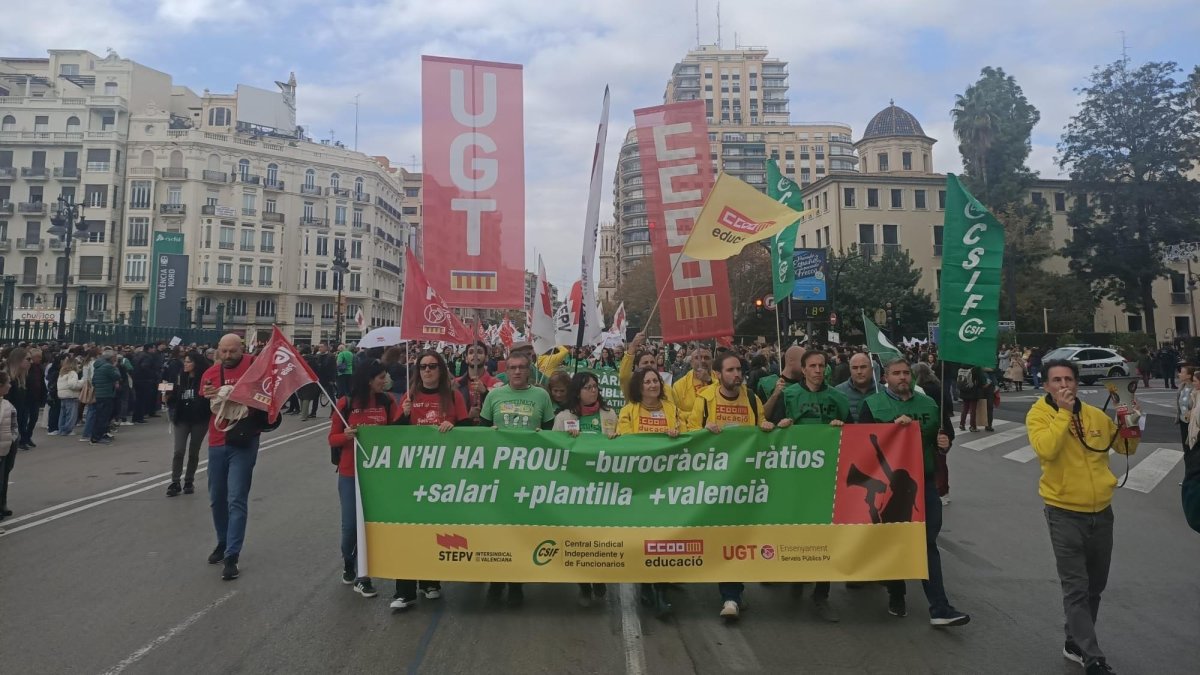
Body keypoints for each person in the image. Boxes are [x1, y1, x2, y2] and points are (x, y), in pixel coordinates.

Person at [1027, 359, 1139, 674]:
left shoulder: (1094, 416)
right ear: (1047, 385)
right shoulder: (1038, 415)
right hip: (1063, 512)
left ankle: (1074, 640)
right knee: (1075, 586)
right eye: (1057, 380)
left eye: (1068, 379)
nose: (1064, 385)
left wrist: (1128, 418)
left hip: (1101, 512)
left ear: (1077, 383)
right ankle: (1093, 656)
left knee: (1095, 586)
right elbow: (1046, 449)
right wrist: (1063, 413)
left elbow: (1126, 448)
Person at [860, 357, 970, 628]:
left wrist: (944, 443)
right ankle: (896, 592)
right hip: (890, 486)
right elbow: (861, 446)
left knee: (927, 542)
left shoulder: (929, 405)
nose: (902, 378)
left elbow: (943, 437)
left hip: (925, 481)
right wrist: (891, 431)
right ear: (886, 377)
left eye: (906, 373)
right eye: (896, 373)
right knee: (895, 540)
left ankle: (940, 607)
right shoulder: (873, 406)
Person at [685, 353, 773, 621]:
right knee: (719, 537)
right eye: (731, 370)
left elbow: (761, 430)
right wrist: (702, 431)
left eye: (739, 369)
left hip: (743, 483)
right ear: (718, 373)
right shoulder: (705, 400)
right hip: (712, 483)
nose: (737, 374)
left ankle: (732, 595)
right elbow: (689, 436)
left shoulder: (752, 400)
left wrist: (769, 427)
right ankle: (729, 593)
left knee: (736, 539)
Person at [389, 351, 468, 609]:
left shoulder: (454, 396)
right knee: (409, 531)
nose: (428, 371)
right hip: (413, 476)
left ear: (441, 370)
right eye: (423, 367)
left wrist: (454, 428)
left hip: (443, 477)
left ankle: (431, 582)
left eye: (433, 366)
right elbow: (392, 438)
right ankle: (404, 590)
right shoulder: (409, 397)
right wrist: (403, 416)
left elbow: (470, 433)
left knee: (435, 530)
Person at [774, 349, 849, 622]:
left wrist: (843, 427)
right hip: (796, 474)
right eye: (813, 366)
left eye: (822, 365)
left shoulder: (837, 398)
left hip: (826, 476)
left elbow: (854, 436)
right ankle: (796, 574)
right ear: (803, 370)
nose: (818, 370)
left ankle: (821, 595)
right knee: (797, 530)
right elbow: (771, 429)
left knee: (824, 535)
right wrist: (780, 425)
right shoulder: (790, 395)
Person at [480, 350, 556, 607]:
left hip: (529, 477)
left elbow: (550, 434)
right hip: (499, 476)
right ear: (506, 369)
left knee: (521, 531)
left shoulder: (541, 396)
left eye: (522, 367)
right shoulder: (494, 395)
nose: (516, 372)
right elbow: (480, 432)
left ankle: (516, 584)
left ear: (530, 369)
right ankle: (496, 580)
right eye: (512, 367)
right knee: (498, 530)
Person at [329, 361, 403, 602]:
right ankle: (348, 562)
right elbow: (332, 439)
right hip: (350, 473)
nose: (385, 381)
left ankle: (364, 577)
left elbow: (398, 431)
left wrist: (407, 414)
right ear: (368, 379)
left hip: (379, 474)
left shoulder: (387, 401)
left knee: (370, 526)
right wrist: (346, 435)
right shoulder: (345, 403)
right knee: (350, 526)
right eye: (381, 377)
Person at [617, 366, 684, 617]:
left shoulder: (671, 409)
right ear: (639, 386)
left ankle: (661, 589)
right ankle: (646, 584)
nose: (653, 385)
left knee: (665, 538)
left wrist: (678, 434)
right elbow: (625, 440)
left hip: (667, 486)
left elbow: (688, 437)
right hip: (640, 486)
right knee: (644, 537)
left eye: (656, 380)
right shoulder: (628, 411)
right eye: (647, 382)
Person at [200, 334, 263, 581]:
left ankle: (232, 555)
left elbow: (267, 398)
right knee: (217, 498)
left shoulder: (254, 366)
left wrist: (239, 394)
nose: (227, 356)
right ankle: (222, 541)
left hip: (244, 440)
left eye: (232, 352)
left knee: (236, 497)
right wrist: (206, 395)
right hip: (216, 440)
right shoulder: (211, 373)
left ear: (242, 349)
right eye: (223, 351)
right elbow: (202, 403)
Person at [554, 371, 618, 607]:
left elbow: (621, 446)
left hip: (602, 486)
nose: (593, 390)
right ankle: (583, 583)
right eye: (588, 387)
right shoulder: (563, 417)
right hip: (575, 488)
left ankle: (599, 575)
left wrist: (617, 439)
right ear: (577, 391)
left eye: (595, 386)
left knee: (599, 535)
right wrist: (568, 441)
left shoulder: (609, 414)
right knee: (578, 536)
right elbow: (553, 452)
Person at [165, 350, 213, 497]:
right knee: (178, 451)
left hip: (200, 419)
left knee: (193, 451)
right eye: (185, 361)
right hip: (182, 418)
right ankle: (175, 481)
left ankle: (189, 480)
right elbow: (173, 395)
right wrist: (166, 396)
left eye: (188, 361)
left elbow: (210, 396)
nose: (185, 364)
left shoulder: (205, 378)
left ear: (196, 364)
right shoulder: (181, 377)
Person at [455, 342, 500, 425]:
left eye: (479, 352)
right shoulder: (455, 384)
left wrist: (485, 393)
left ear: (486, 358)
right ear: (466, 358)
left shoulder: (497, 384)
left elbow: (501, 410)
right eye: (471, 352)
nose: (475, 355)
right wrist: (467, 417)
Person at [671, 346, 716, 417]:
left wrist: (709, 380)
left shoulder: (722, 380)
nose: (703, 361)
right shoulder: (679, 386)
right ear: (691, 362)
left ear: (712, 361)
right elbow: (675, 413)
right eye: (698, 358)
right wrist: (699, 416)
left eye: (706, 358)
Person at [88, 352, 120, 445]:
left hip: (99, 394)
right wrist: (115, 367)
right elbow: (117, 376)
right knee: (103, 417)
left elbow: (94, 381)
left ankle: (100, 435)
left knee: (100, 416)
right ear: (110, 359)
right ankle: (97, 437)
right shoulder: (108, 367)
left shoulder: (98, 367)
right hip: (106, 394)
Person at [835, 352, 877, 422]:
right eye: (855, 368)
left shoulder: (882, 391)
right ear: (850, 370)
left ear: (872, 370)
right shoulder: (837, 392)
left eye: (863, 367)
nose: (859, 371)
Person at [0, 372, 18, 525]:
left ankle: (2, 505)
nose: (10, 385)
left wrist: (13, 438)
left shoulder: (6, 403)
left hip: (7, 446)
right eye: (8, 383)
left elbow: (13, 425)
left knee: (4, 477)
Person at [53, 355, 83, 436]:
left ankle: (61, 429)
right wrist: (81, 383)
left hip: (62, 395)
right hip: (70, 395)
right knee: (71, 415)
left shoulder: (62, 372)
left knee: (63, 414)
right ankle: (67, 430)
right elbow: (72, 385)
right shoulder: (72, 373)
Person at [1177, 365, 1195, 450]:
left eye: (1182, 372)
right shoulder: (1181, 387)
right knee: (1186, 447)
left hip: (1193, 422)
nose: (1179, 374)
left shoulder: (1195, 389)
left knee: (1193, 447)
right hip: (1183, 421)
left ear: (1189, 376)